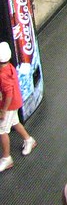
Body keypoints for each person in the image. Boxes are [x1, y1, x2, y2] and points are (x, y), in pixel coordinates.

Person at [0, 41, 36, 173]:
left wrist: (3, 111)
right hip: (15, 102)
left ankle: (6, 157)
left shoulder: (3, 76)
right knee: (15, 122)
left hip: (8, 106)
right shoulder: (10, 67)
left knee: (2, 131)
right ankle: (29, 140)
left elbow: (8, 94)